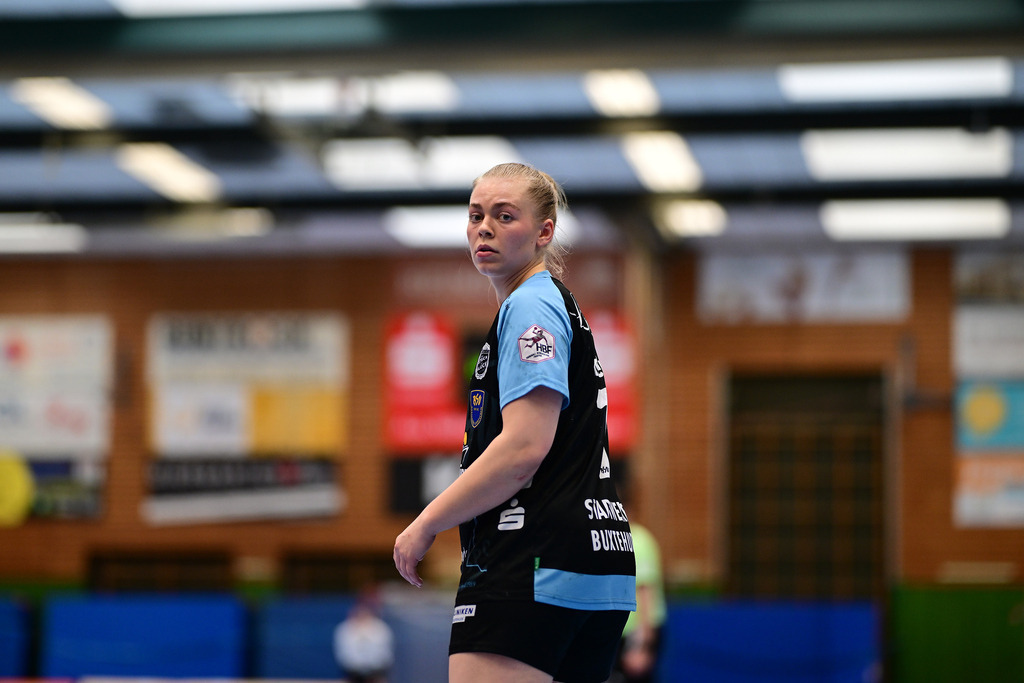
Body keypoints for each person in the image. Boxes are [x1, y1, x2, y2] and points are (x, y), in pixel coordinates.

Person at [394, 162, 636, 683]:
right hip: (595, 569)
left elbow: (524, 448)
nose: (485, 227)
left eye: (505, 217)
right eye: (476, 215)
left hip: (532, 563)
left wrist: (426, 522)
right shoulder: (556, 306)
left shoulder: (532, 306)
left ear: (545, 232)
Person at [610, 516, 666, 683]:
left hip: (636, 632)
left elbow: (644, 592)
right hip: (620, 632)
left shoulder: (638, 540)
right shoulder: (610, 538)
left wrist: (641, 646)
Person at [333, 586, 394, 683]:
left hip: (376, 672)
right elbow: (343, 653)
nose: (362, 613)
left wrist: (372, 668)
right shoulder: (344, 629)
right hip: (353, 672)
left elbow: (385, 653)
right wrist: (357, 668)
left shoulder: (381, 628)